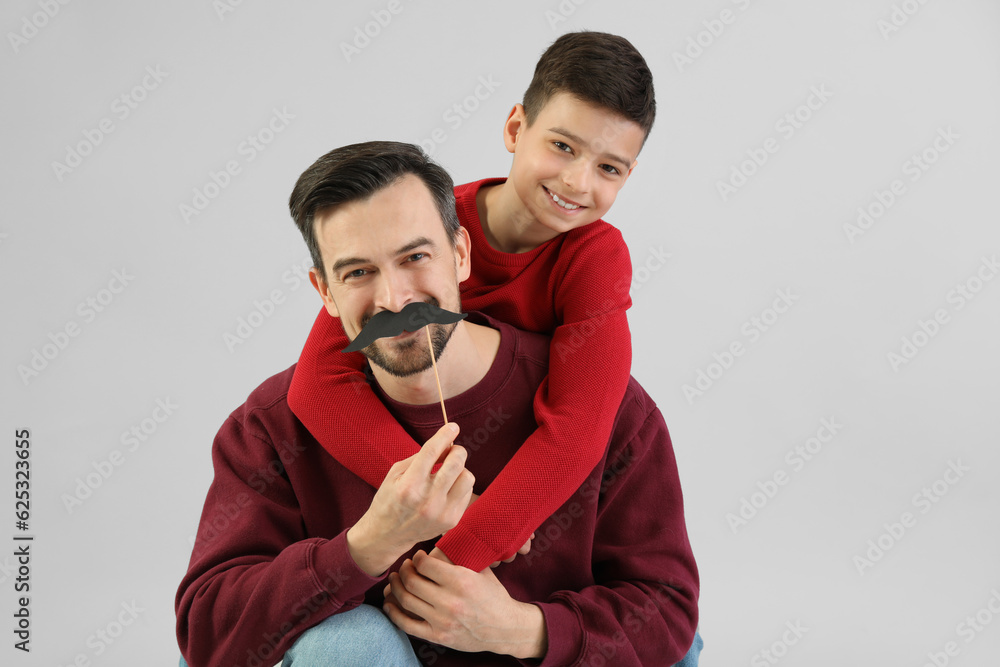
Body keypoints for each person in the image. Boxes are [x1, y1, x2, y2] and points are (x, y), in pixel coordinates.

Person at [175, 142, 701, 665]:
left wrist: (523, 629)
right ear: (325, 292)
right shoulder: (270, 427)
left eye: (415, 257)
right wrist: (364, 547)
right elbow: (206, 638)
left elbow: (669, 611)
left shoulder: (609, 407)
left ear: (461, 255)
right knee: (348, 644)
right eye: (358, 272)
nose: (395, 299)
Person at [288, 30, 658, 573]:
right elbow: (318, 385)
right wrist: (443, 503)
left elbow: (577, 430)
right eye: (562, 146)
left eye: (609, 168)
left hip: (552, 556)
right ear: (515, 128)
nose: (578, 182)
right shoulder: (423, 232)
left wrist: (463, 552)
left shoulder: (595, 257)